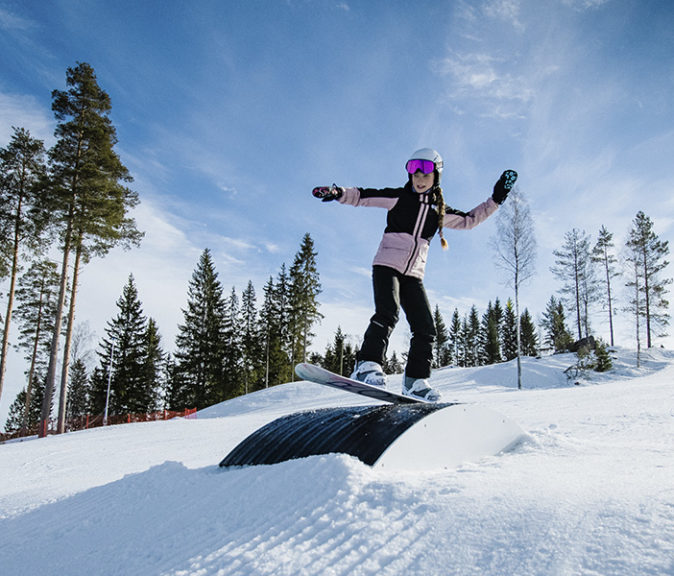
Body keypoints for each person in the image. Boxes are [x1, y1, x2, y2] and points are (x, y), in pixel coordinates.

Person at [313, 148, 517, 401]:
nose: (419, 180)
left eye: (425, 176)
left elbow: (469, 220)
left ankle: (415, 382)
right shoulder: (399, 197)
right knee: (388, 312)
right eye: (415, 175)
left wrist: (497, 198)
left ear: (436, 178)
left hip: (414, 275)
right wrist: (337, 193)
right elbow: (364, 196)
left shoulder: (439, 211)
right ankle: (367, 364)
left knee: (426, 328)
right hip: (387, 265)